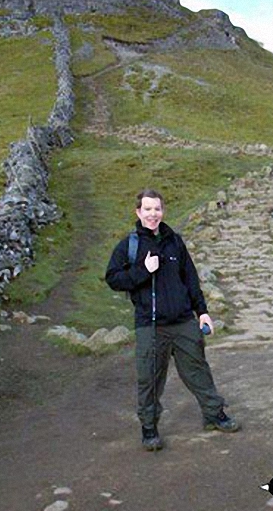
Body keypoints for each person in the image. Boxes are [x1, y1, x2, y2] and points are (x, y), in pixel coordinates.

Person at [105, 188, 239, 451]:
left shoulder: (175, 241)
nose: (152, 214)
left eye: (157, 209)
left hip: (183, 321)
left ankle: (214, 414)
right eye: (147, 209)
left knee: (198, 370)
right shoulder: (129, 246)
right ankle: (149, 427)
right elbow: (113, 279)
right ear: (138, 212)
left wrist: (202, 312)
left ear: (162, 211)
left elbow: (190, 279)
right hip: (150, 325)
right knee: (150, 378)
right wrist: (143, 270)